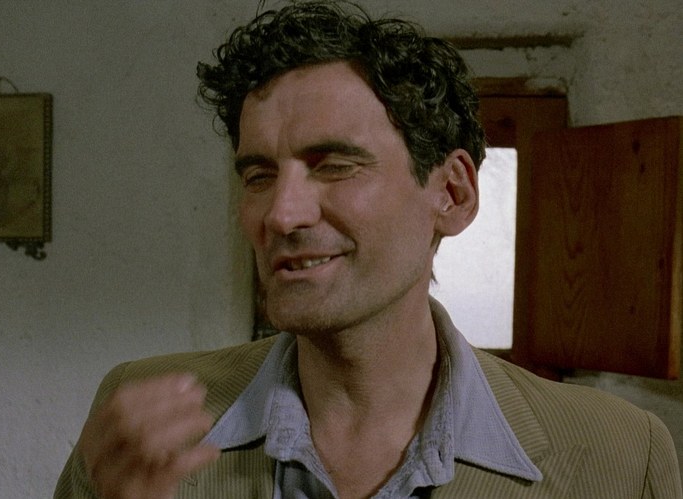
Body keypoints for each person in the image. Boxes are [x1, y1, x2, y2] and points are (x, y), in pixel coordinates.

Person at [55, 2, 682, 498]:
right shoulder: (139, 416)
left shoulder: (624, 455)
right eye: (259, 175)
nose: (281, 214)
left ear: (453, 193)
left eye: (334, 165)